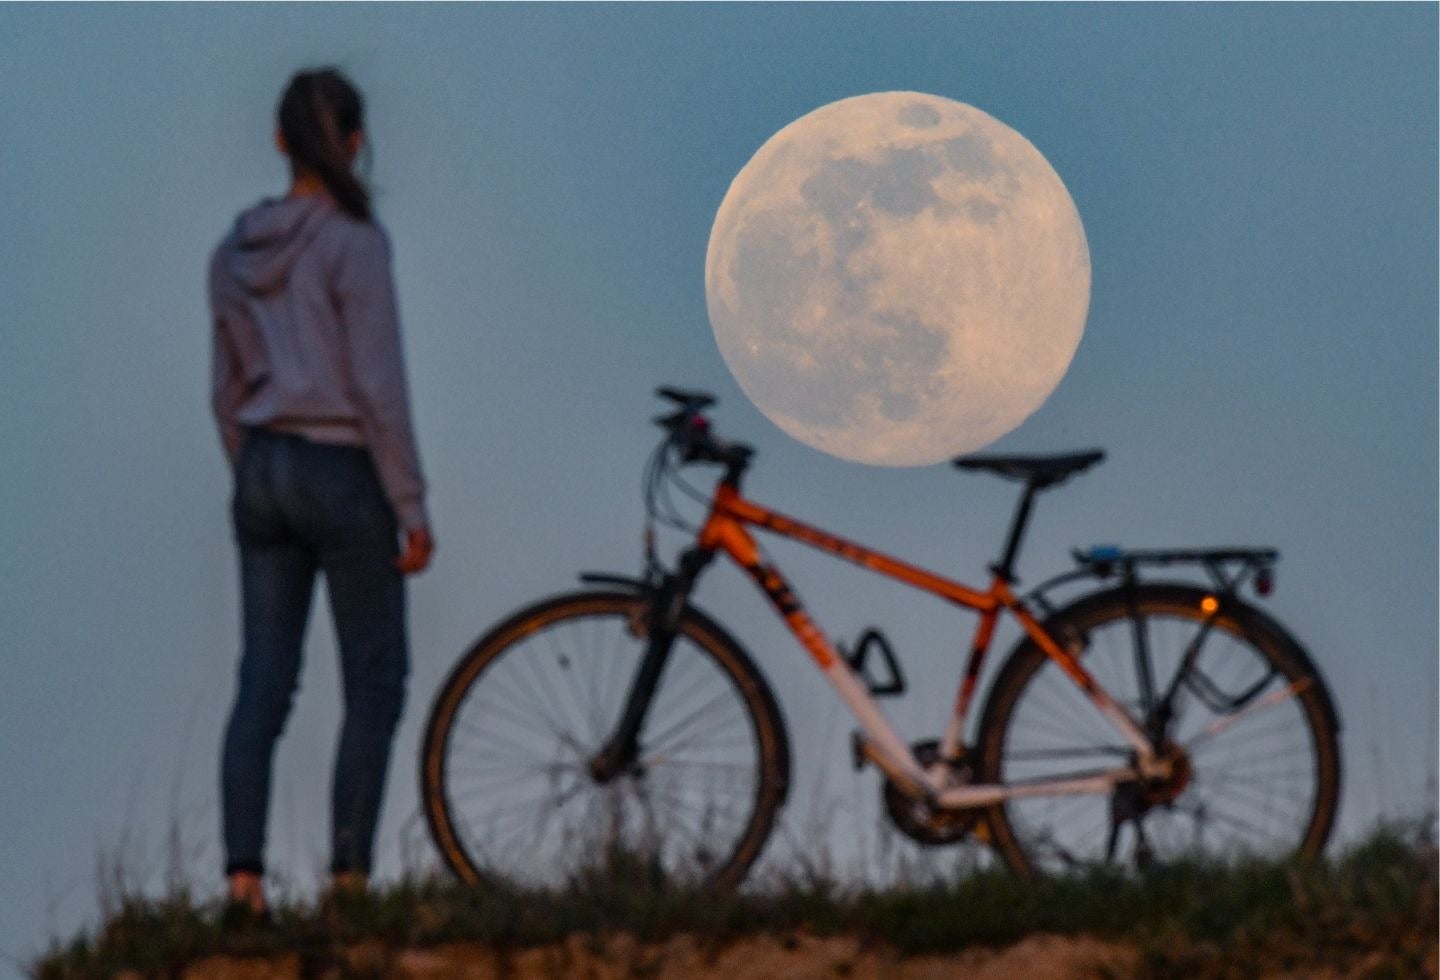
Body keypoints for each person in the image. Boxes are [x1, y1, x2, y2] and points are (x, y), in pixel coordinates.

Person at [209, 67, 433, 918]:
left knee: (263, 680)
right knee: (374, 678)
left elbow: (223, 390)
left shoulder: (232, 251)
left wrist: (252, 469)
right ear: (351, 143)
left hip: (261, 462)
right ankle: (347, 880)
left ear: (277, 141)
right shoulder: (354, 241)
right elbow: (379, 387)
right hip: (340, 466)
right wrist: (408, 503)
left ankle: (243, 881)